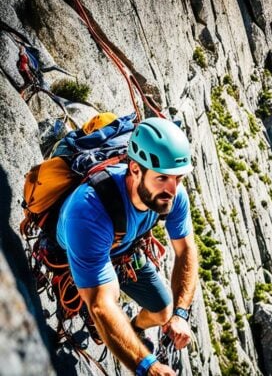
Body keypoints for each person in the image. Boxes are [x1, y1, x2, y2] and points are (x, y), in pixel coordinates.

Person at [56, 117, 199, 376]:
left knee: (163, 310)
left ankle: (134, 328)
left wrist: (180, 313)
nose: (172, 189)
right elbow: (101, 303)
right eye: (163, 178)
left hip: (122, 249)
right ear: (134, 169)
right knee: (101, 310)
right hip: (81, 249)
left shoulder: (172, 195)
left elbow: (186, 250)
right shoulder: (89, 211)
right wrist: (147, 366)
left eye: (178, 179)